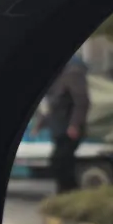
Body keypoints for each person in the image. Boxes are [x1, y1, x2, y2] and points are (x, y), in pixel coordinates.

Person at [32, 54, 91, 193]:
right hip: (59, 129)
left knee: (60, 162)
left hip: (69, 129)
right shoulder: (55, 79)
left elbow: (82, 102)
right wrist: (39, 125)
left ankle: (69, 192)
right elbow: (50, 106)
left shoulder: (72, 74)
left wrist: (75, 124)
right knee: (61, 163)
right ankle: (66, 192)